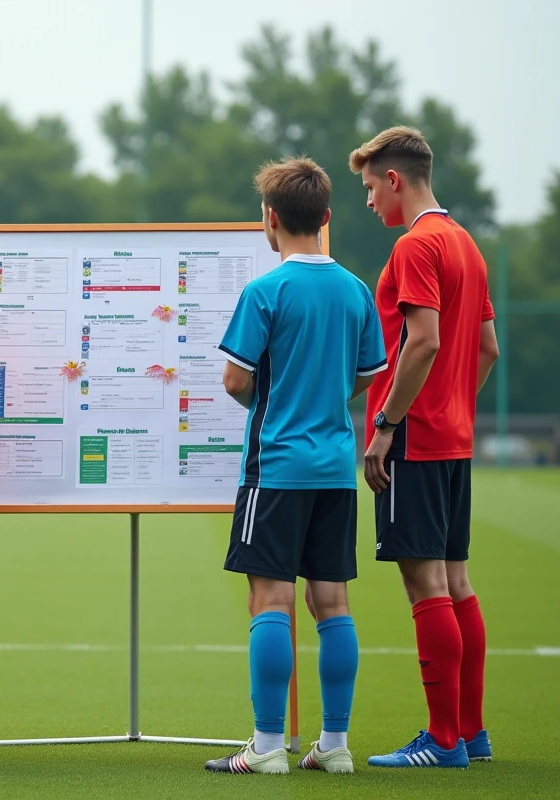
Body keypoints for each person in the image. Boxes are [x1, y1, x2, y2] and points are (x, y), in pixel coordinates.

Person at [205, 157, 386, 776]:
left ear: (270, 220)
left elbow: (235, 380)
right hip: (336, 468)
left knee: (269, 601)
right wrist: (323, 397)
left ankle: (267, 745)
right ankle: (334, 747)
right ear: (327, 218)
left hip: (276, 468)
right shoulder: (356, 290)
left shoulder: (265, 291)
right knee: (332, 603)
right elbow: (365, 375)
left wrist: (278, 400)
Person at [348, 126, 499, 769]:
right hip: (455, 436)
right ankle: (470, 733)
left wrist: (387, 422)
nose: (368, 205)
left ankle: (441, 742)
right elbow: (487, 348)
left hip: (414, 436)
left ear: (394, 180)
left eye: (368, 189)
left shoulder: (416, 246)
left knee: (424, 582)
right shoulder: (465, 243)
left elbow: (425, 340)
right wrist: (454, 403)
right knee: (457, 581)